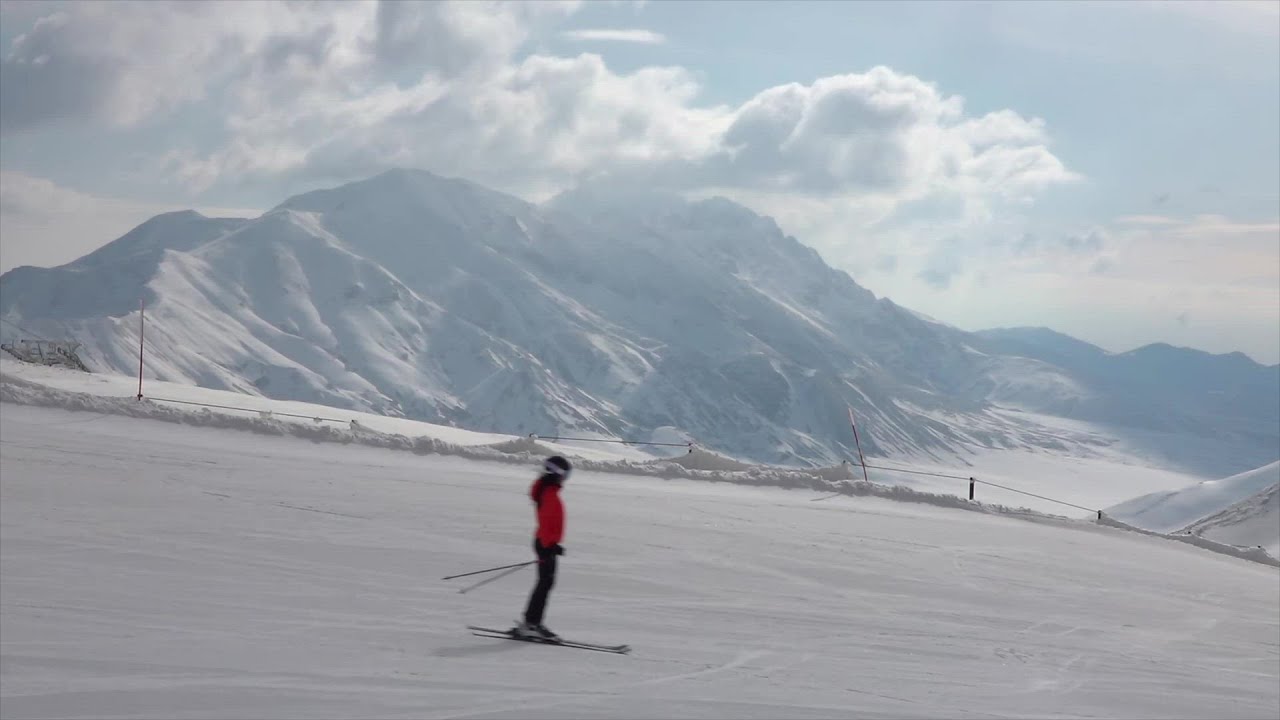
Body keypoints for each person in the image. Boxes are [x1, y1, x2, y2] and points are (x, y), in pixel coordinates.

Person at [513, 455, 570, 641]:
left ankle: (531, 622)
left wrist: (552, 544)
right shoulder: (550, 494)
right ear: (557, 473)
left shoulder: (547, 491)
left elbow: (548, 524)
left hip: (545, 543)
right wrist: (550, 547)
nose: (565, 479)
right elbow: (547, 523)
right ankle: (531, 624)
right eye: (565, 475)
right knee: (545, 584)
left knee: (545, 583)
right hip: (545, 544)